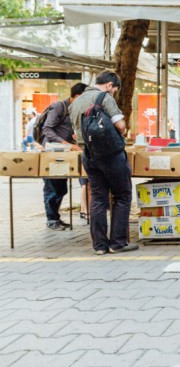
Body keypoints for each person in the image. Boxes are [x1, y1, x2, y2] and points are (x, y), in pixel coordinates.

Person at [70, 70, 137, 255]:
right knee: (122, 196)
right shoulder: (105, 98)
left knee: (98, 198)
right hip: (111, 155)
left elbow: (75, 133)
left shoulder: (76, 102)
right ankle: (118, 243)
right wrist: (121, 133)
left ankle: (99, 246)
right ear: (109, 85)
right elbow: (121, 125)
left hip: (88, 156)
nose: (113, 92)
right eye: (114, 89)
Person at [41, 83, 88, 230]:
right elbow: (47, 129)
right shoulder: (59, 107)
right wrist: (66, 143)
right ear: (76, 96)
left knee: (61, 188)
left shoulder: (76, 111)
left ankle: (56, 217)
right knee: (52, 187)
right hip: (52, 153)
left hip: (65, 154)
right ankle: (51, 220)